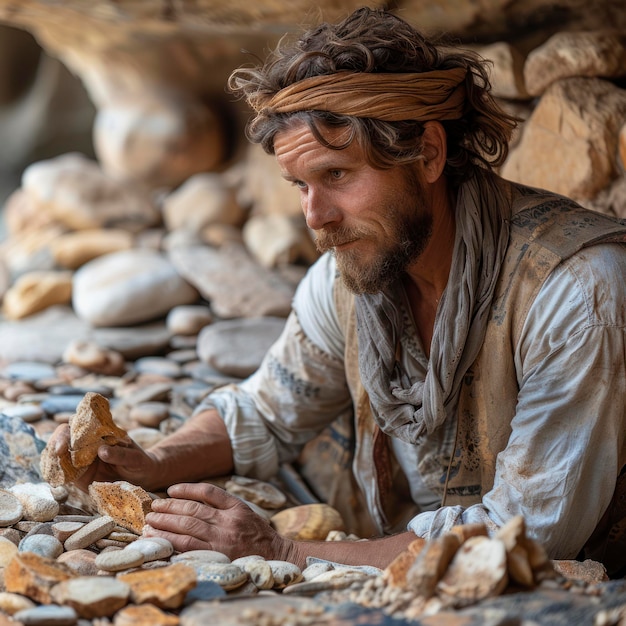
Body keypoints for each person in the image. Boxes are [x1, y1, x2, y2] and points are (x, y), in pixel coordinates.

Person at [55, 7, 626, 576]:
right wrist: (151, 462)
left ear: (427, 153)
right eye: (300, 185)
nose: (315, 217)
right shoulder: (352, 274)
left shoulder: (576, 291)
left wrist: (282, 552)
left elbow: (525, 534)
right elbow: (266, 411)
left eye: (336, 176)